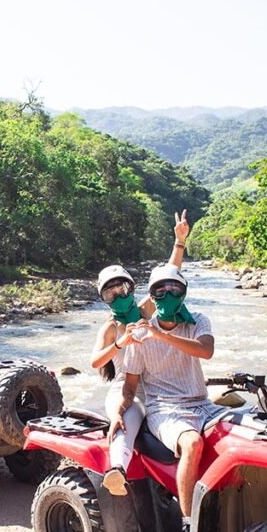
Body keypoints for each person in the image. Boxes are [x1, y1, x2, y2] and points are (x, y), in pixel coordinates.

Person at [110, 264, 222, 532]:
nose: (167, 294)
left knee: (245, 432)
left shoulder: (197, 320)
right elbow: (130, 386)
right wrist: (119, 411)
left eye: (174, 289)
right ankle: (188, 527)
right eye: (160, 290)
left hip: (202, 402)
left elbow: (205, 350)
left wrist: (161, 335)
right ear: (152, 295)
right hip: (165, 409)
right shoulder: (139, 337)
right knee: (193, 442)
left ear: (183, 293)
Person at [91, 211, 190, 497]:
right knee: (126, 419)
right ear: (104, 299)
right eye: (111, 294)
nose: (119, 296)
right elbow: (95, 361)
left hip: (158, 385)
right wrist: (120, 343)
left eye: (122, 289)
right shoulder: (111, 327)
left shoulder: (145, 310)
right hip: (126, 390)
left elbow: (168, 277)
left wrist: (179, 241)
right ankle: (117, 471)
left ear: (132, 288)